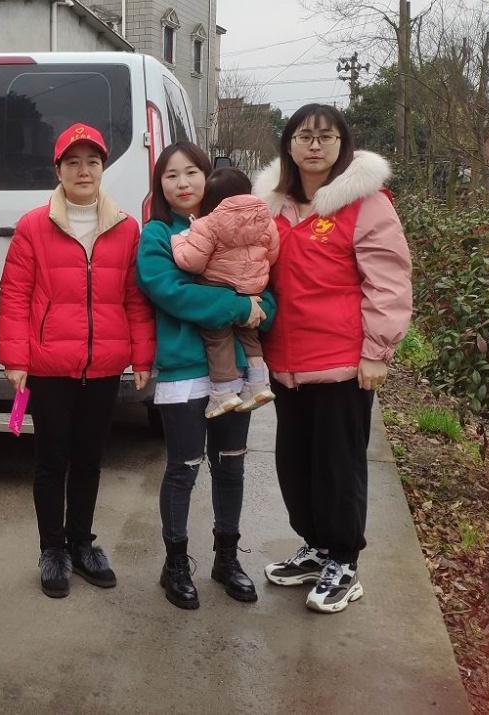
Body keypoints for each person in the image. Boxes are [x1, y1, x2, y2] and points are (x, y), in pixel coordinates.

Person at [254, 104, 412, 614]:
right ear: (289, 145)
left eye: (326, 136)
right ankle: (317, 548)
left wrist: (377, 352)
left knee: (338, 468)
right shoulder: (273, 206)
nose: (315, 145)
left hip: (342, 361)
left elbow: (388, 281)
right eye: (305, 136)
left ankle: (344, 561)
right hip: (286, 362)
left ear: (343, 145)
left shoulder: (367, 204)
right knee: (294, 464)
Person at [0, 123, 155, 599]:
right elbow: (14, 295)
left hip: (103, 365)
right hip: (49, 366)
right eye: (73, 162)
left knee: (89, 460)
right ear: (59, 169)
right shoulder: (33, 226)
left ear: (103, 168)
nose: (83, 170)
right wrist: (15, 357)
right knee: (52, 461)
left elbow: (135, 299)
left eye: (92, 162)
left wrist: (142, 355)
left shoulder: (126, 227)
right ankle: (52, 549)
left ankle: (82, 543)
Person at [136, 141, 275, 611]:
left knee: (231, 464)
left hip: (235, 370)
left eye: (191, 172)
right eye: (171, 175)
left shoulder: (241, 228)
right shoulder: (158, 235)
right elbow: (170, 292)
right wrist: (238, 307)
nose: (182, 183)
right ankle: (175, 562)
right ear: (160, 184)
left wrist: (261, 309)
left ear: (207, 176)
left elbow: (265, 287)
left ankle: (226, 558)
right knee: (184, 468)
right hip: (183, 370)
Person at [170, 167, 279, 418]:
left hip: (218, 288)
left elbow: (192, 263)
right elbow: (272, 256)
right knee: (250, 335)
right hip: (252, 290)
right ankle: (258, 385)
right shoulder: (267, 221)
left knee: (218, 338)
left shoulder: (207, 224)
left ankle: (223, 392)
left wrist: (179, 241)